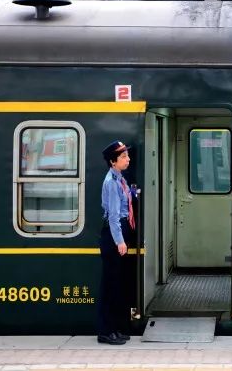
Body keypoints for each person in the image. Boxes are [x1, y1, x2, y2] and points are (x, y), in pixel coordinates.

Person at [97, 140, 135, 345]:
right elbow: (112, 216)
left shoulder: (119, 178)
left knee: (117, 283)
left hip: (119, 232)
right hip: (113, 235)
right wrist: (119, 242)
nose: (128, 159)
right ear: (113, 161)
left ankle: (115, 329)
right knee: (110, 286)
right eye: (123, 157)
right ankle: (105, 331)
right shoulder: (111, 182)